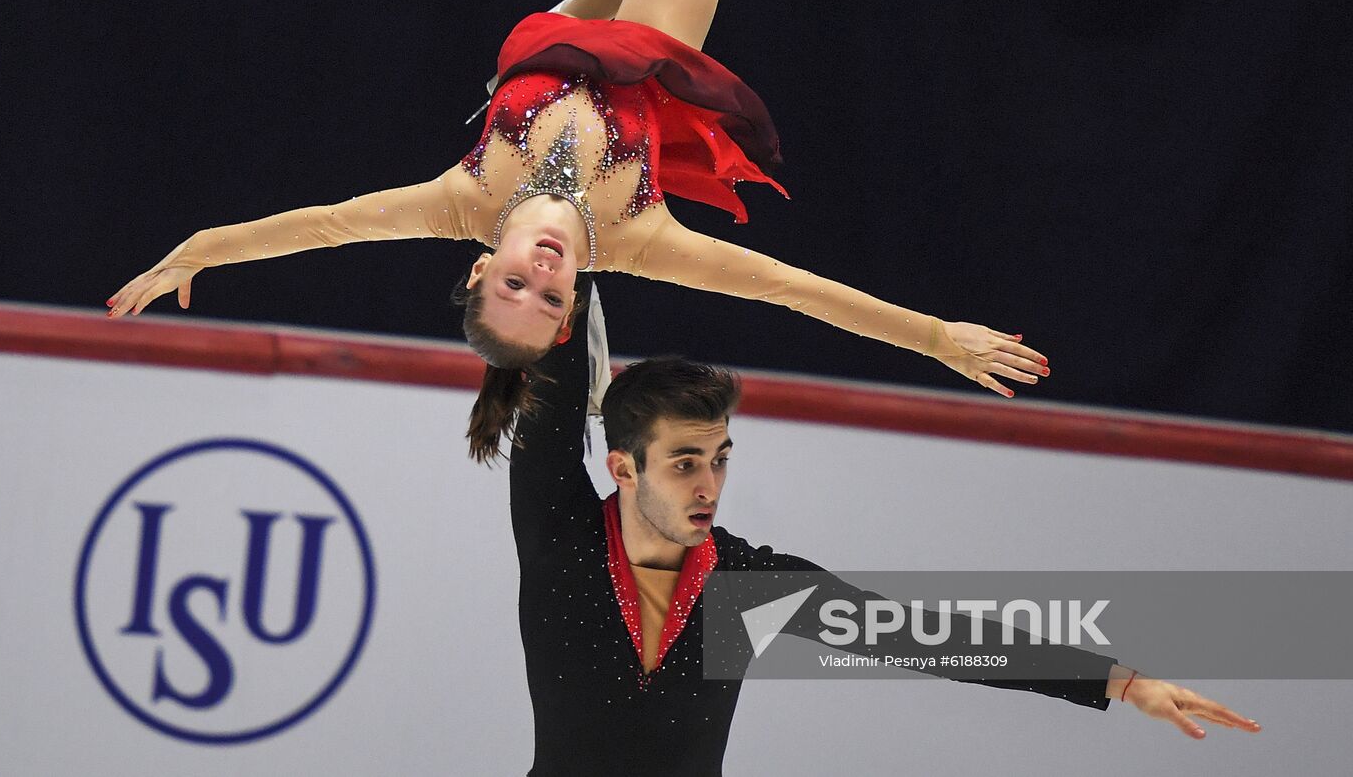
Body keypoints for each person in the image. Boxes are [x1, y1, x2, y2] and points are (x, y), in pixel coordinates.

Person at [107, 0, 1051, 462]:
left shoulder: (457, 202)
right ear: (568, 315)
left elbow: (312, 228)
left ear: (484, 267)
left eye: (517, 280)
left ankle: (588, 4)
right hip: (637, 52)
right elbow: (793, 290)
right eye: (552, 298)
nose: (548, 273)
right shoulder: (636, 238)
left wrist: (195, 250)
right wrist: (935, 338)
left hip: (544, 41)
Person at [507, 275, 1259, 775]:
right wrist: (554, 244)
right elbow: (552, 329)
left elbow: (930, 637)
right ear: (624, 468)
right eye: (683, 463)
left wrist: (1118, 683)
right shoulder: (558, 527)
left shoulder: (744, 587)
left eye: (720, 458)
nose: (710, 486)